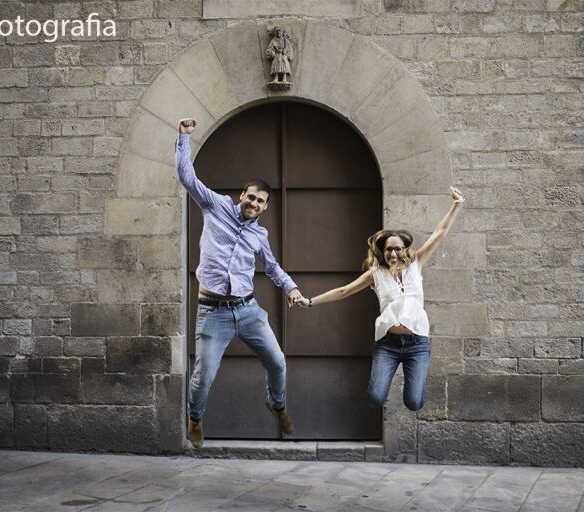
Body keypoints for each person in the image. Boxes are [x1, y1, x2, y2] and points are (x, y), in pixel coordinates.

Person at [175, 118, 304, 448]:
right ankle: (195, 417)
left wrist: (291, 288)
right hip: (212, 312)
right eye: (250, 197)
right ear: (241, 195)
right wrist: (183, 138)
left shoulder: (260, 234)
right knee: (203, 376)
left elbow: (273, 267)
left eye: (260, 201)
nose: (254, 204)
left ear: (265, 206)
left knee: (277, 362)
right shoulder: (215, 205)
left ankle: (275, 405)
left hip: (248, 311)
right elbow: (187, 178)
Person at [294, 187, 465, 411]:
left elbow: (439, 233)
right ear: (381, 251)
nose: (393, 254)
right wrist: (310, 301)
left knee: (413, 403)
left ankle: (414, 387)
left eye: (398, 249)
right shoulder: (375, 274)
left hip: (417, 344)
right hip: (388, 344)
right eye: (388, 250)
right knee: (375, 398)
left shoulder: (416, 265)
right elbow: (345, 291)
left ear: (405, 250)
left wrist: (457, 204)